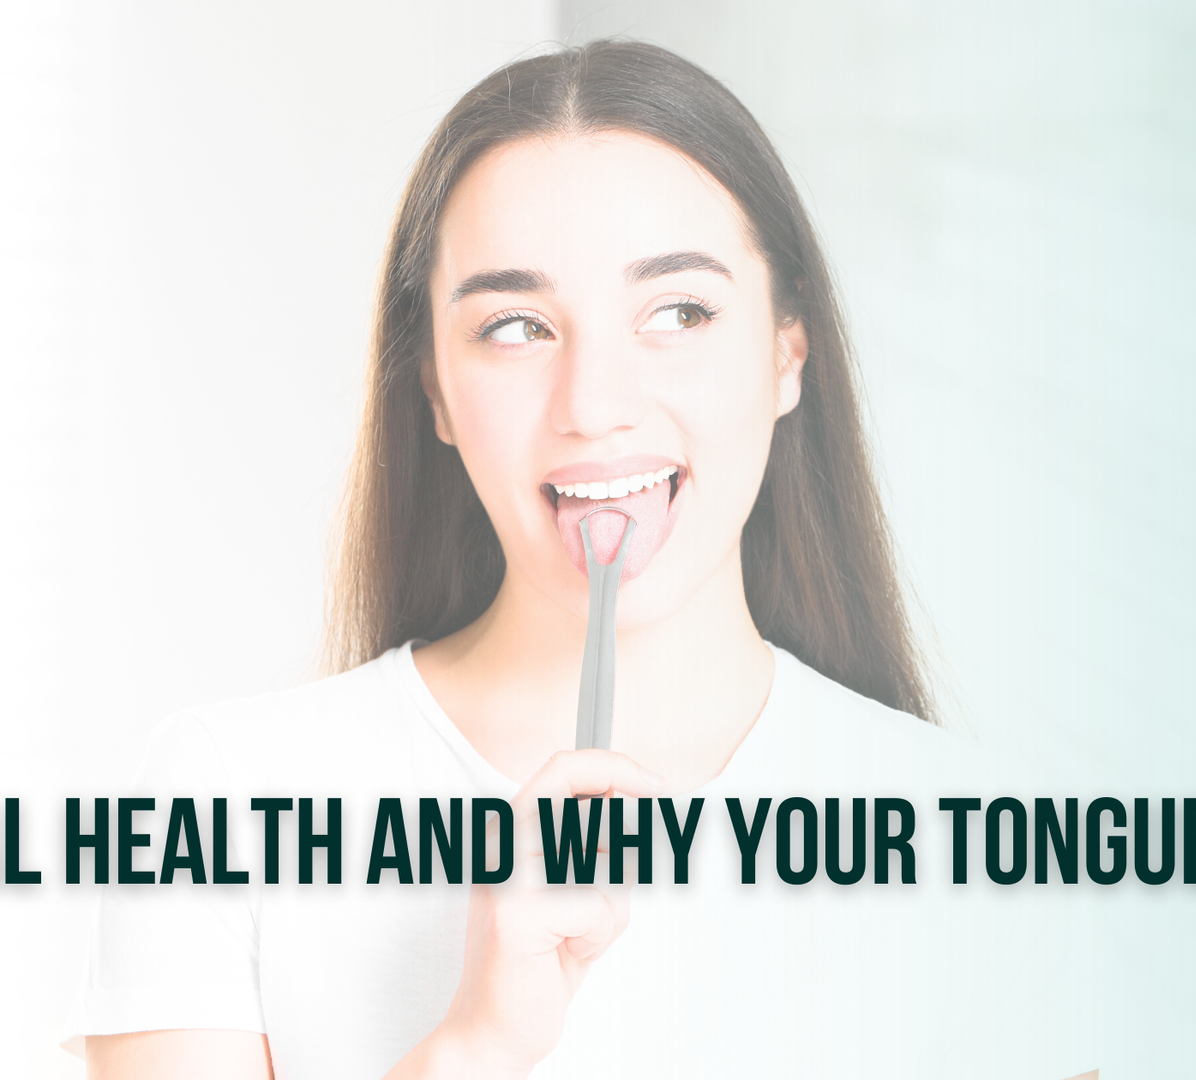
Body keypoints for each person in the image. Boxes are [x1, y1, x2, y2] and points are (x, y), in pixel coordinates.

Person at [70, 40, 1012, 1080]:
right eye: (517, 327)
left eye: (680, 312)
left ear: (788, 350)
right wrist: (479, 1044)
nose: (594, 406)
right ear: (432, 387)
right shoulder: (216, 806)